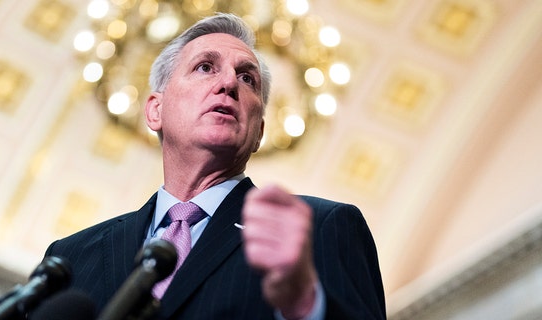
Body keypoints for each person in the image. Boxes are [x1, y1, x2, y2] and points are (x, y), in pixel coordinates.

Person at [42, 13, 385, 319]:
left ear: (259, 132)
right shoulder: (71, 257)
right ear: (155, 110)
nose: (229, 83)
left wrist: (304, 304)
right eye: (205, 67)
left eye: (247, 79)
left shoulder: (318, 230)